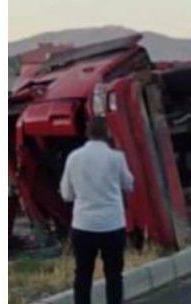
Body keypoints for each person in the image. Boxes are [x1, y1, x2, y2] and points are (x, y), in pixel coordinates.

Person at [59, 117, 135, 304]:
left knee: (83, 275)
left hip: (84, 225)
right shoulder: (117, 158)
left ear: (87, 133)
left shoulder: (74, 157)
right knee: (114, 275)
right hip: (112, 224)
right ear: (107, 133)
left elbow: (66, 194)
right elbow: (129, 185)